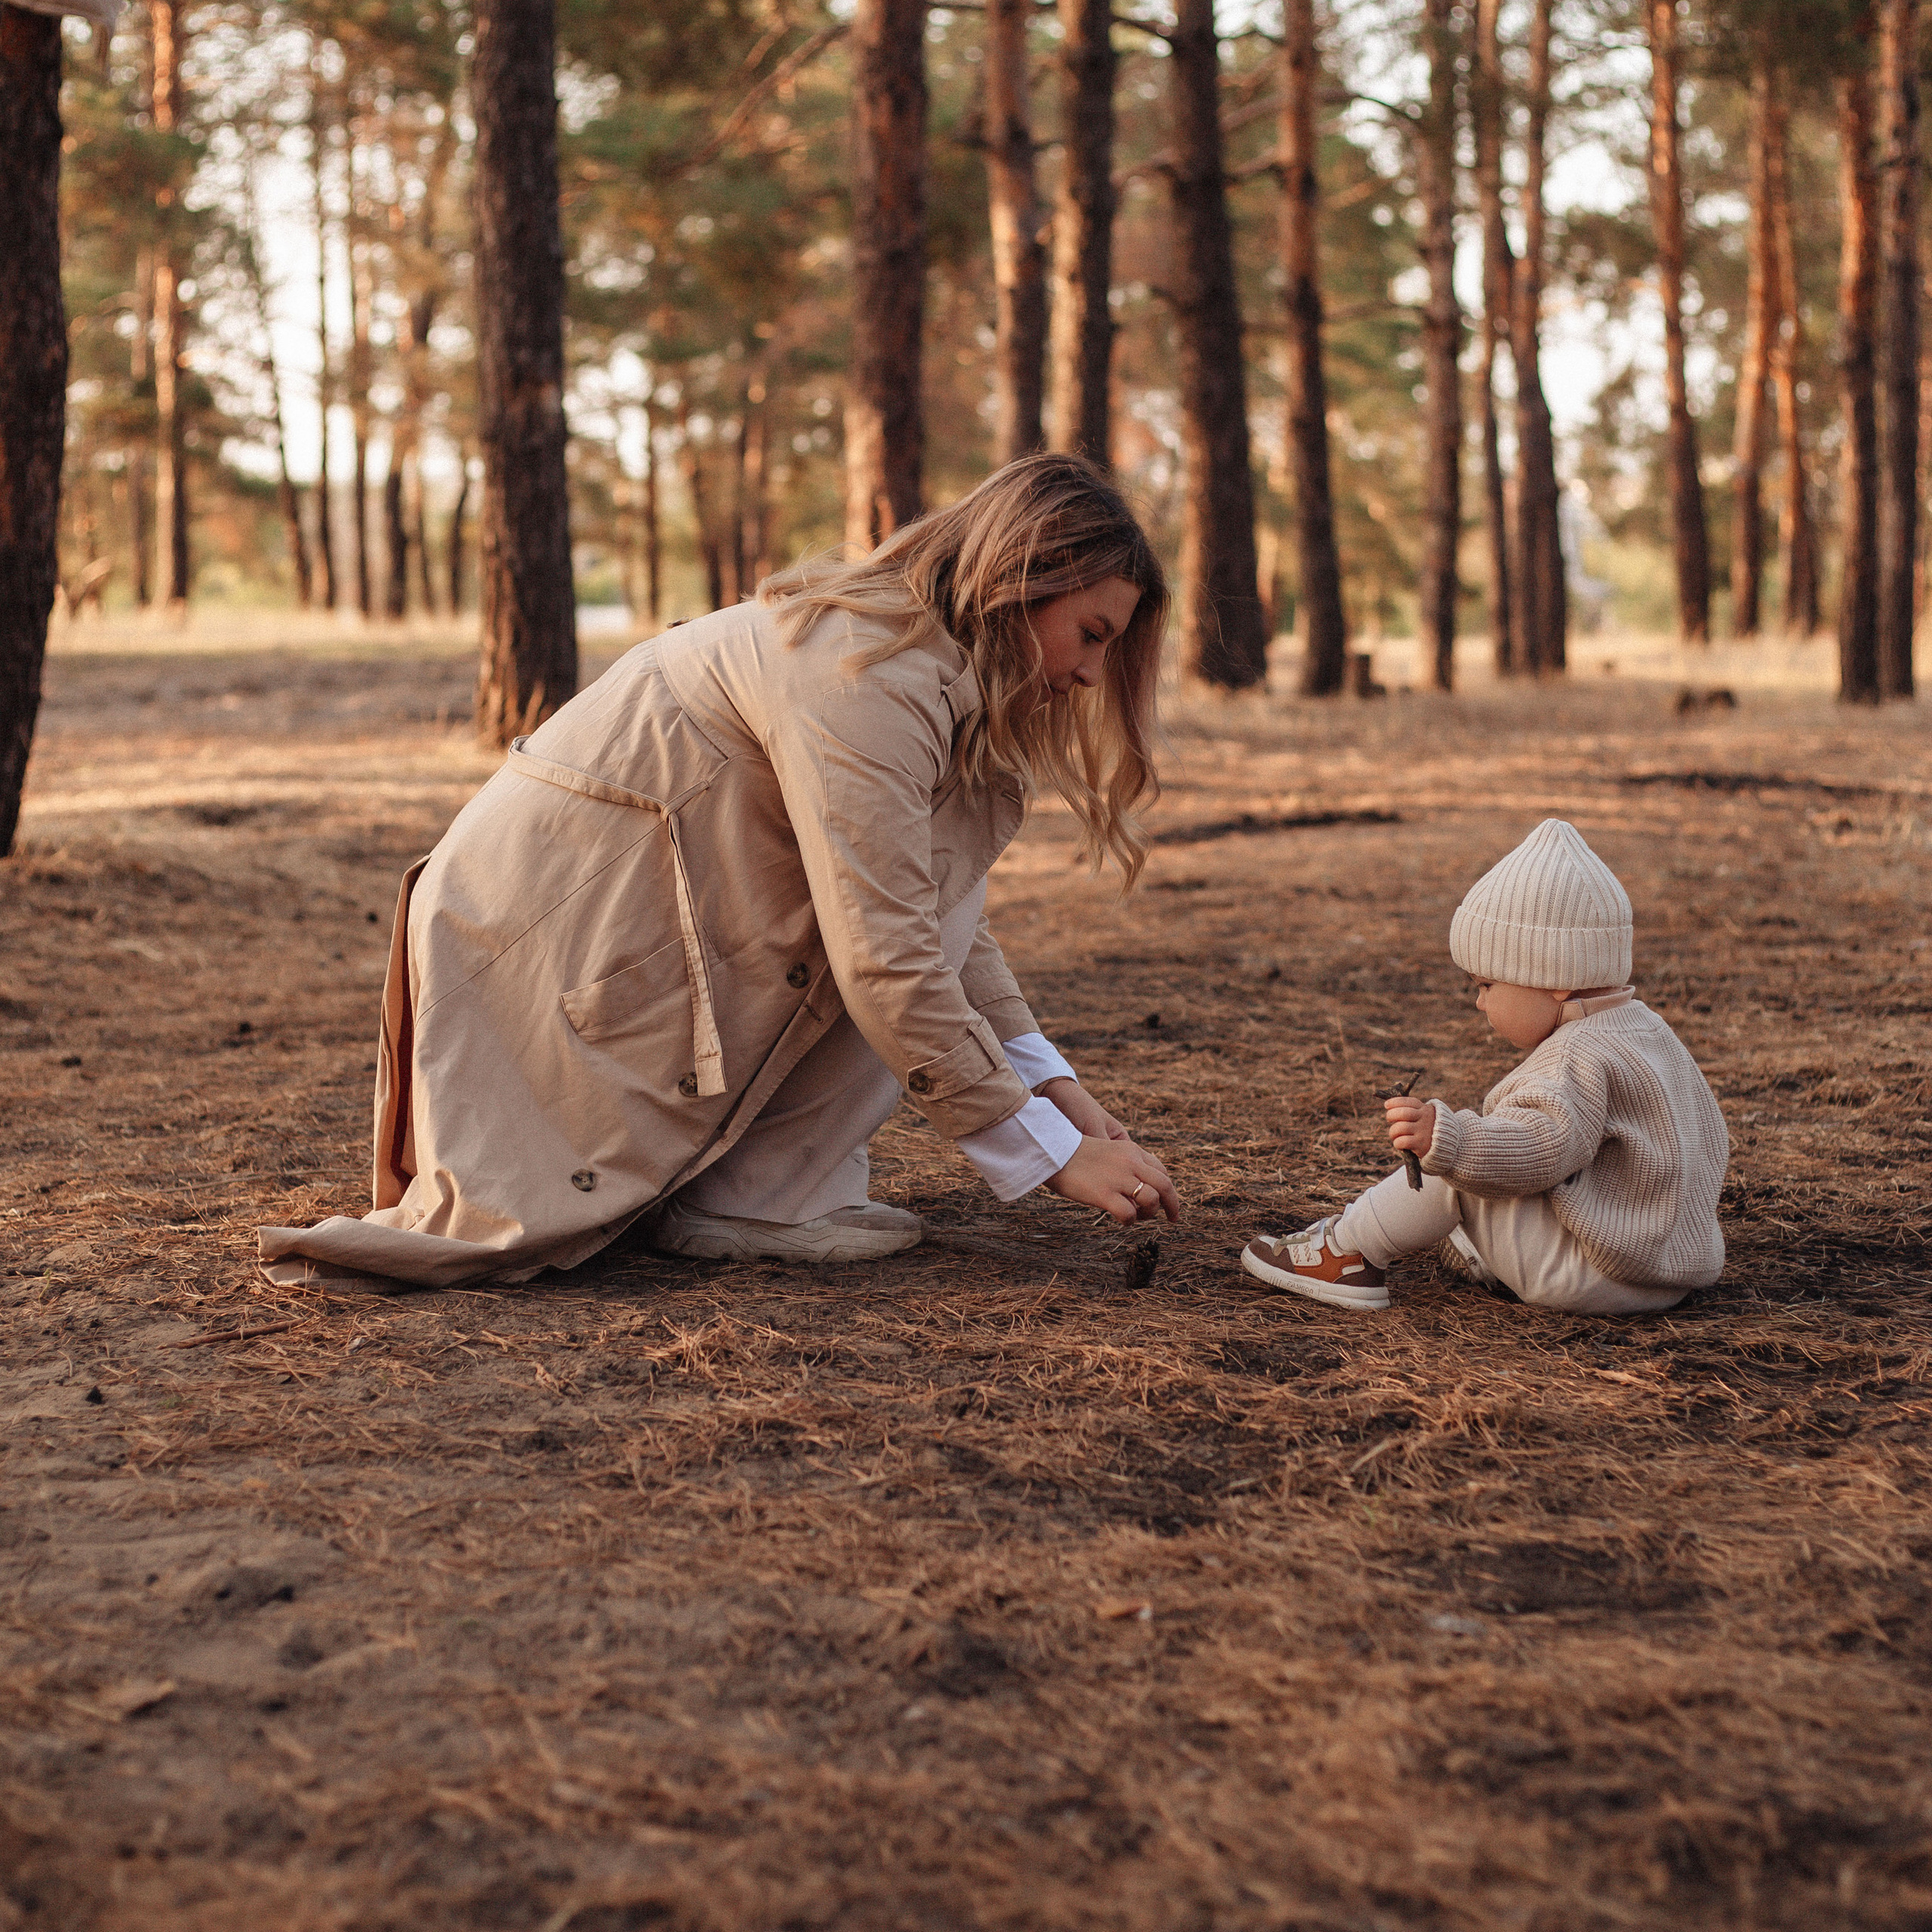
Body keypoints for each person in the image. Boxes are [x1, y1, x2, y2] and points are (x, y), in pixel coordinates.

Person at [260, 454, 1180, 1292]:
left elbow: (939, 912)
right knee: (885, 946)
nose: (1093, 675)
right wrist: (1048, 1152)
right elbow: (889, 951)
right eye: (1090, 633)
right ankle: (752, 1196)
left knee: (901, 917)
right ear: (1021, 581)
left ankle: (761, 1189)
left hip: (602, 936)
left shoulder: (910, 665)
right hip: (537, 948)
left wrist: (1056, 1092)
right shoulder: (867, 676)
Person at [1240, 819, 1727, 1315]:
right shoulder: (1652, 1035)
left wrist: (1449, 1142)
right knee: (1482, 1164)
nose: (1478, 1002)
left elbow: (1541, 1145)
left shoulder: (1573, 1056)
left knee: (1460, 1168)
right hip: (1664, 1274)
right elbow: (1710, 1140)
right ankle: (1484, 1249)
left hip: (1589, 1274)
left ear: (1555, 977)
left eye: (1487, 985)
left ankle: (1347, 1252)